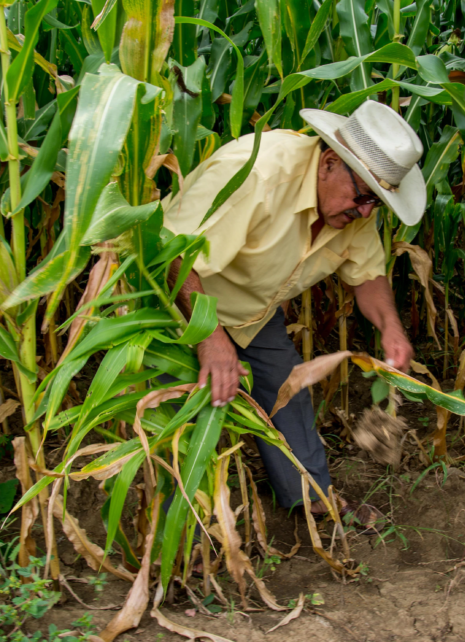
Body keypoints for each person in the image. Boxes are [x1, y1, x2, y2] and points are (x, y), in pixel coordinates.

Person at [163, 100, 427, 530]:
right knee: (180, 412)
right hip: (182, 301)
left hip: (252, 312)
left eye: (375, 205)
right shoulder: (258, 174)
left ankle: (312, 498)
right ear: (328, 164)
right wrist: (209, 337)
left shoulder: (352, 208)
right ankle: (181, 532)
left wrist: (391, 329)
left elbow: (367, 275)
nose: (364, 213)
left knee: (288, 391)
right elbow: (172, 252)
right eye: (362, 197)